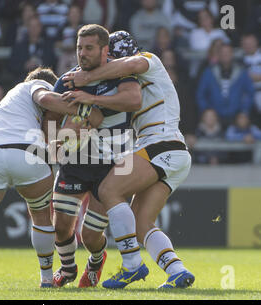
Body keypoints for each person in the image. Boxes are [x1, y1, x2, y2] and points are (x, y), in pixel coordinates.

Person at [0, 67, 103, 290]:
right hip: (27, 154)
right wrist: (83, 110)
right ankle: (46, 279)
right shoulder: (35, 85)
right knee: (41, 218)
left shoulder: (9, 101)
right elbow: (45, 98)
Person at [63, 30, 195, 289]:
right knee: (142, 222)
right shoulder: (125, 84)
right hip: (173, 152)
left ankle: (132, 264)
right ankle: (177, 270)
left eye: (112, 59)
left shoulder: (147, 60)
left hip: (160, 145)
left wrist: (87, 77)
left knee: (109, 189)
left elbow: (132, 64)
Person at [51, 24, 143, 288]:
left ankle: (96, 260)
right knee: (61, 226)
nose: (82, 53)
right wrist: (57, 137)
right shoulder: (68, 78)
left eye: (89, 48)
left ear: (105, 50)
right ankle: (67, 269)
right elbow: (52, 118)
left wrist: (90, 100)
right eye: (79, 48)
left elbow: (134, 100)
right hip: (76, 162)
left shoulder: (121, 74)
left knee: (90, 235)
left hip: (111, 166)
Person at [196, 43, 255, 127]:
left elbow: (250, 93)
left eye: (228, 52)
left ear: (232, 54)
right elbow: (201, 94)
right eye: (223, 53)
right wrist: (206, 110)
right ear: (218, 54)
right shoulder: (209, 72)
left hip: (237, 114)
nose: (225, 55)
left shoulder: (242, 72)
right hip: (214, 115)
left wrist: (244, 110)